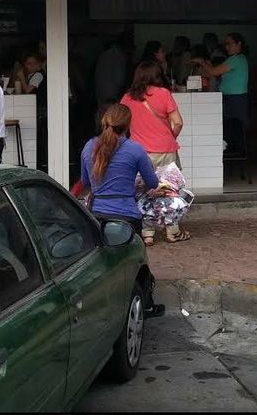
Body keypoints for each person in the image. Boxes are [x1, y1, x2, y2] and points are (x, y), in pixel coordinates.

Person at [81, 104, 166, 317]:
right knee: (136, 265)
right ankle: (144, 305)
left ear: (104, 122)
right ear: (128, 125)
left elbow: (85, 181)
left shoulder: (88, 147)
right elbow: (152, 181)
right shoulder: (134, 149)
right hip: (126, 217)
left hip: (95, 215)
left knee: (98, 265)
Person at [120, 61, 189, 245]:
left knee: (144, 191)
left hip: (139, 151)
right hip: (165, 150)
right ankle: (172, 231)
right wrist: (169, 137)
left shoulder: (127, 98)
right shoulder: (163, 93)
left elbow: (122, 122)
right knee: (170, 190)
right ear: (157, 75)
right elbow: (178, 122)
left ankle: (147, 233)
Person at [196, 32, 250, 154]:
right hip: (230, 98)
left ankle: (236, 155)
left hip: (235, 99)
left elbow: (214, 72)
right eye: (225, 44)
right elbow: (211, 73)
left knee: (234, 128)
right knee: (229, 128)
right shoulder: (233, 59)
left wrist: (202, 62)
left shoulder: (237, 59)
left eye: (229, 44)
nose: (226, 47)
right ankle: (233, 155)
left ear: (239, 44)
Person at [95, 35, 130, 104]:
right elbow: (119, 79)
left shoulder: (104, 54)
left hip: (100, 91)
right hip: (112, 93)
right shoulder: (118, 56)